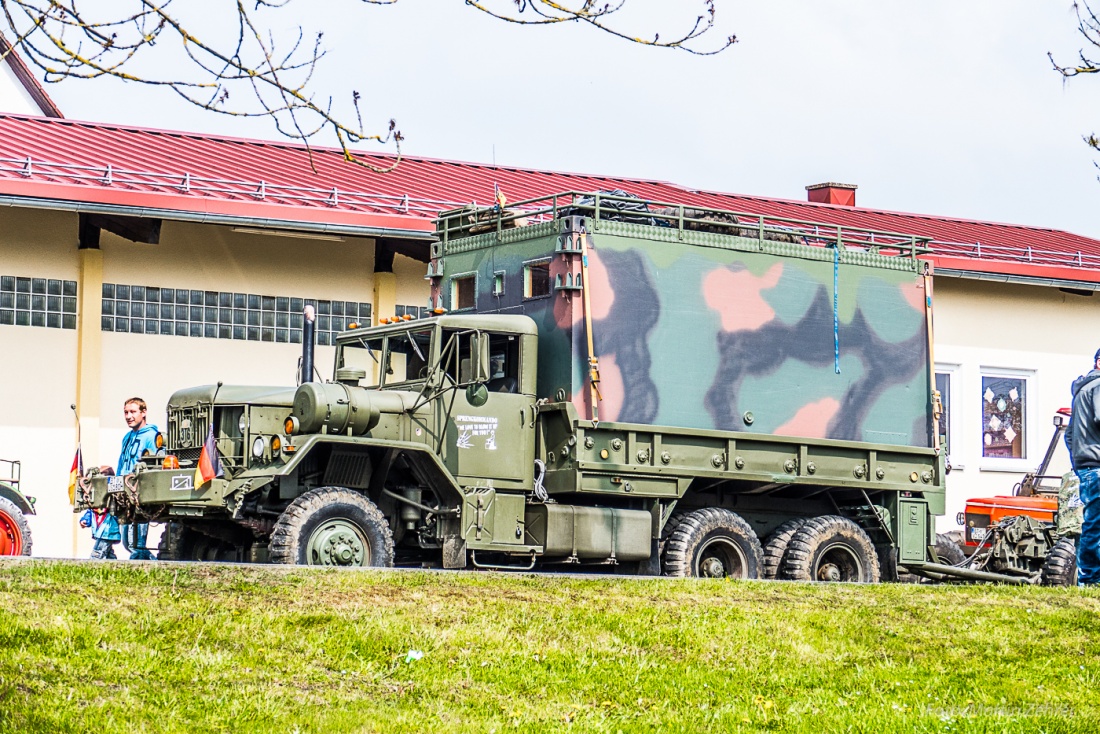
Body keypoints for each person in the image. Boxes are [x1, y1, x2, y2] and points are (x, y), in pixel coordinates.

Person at [103, 397, 160, 560]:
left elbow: (153, 465)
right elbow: (122, 463)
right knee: (127, 542)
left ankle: (150, 565)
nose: (129, 416)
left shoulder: (152, 436)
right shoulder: (127, 437)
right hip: (123, 492)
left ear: (143, 413)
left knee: (137, 543)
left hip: (139, 493)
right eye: (126, 412)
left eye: (133, 412)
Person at [1069, 348, 1100, 586]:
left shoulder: (1081, 391)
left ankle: (1088, 578)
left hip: (1088, 467)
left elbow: (1069, 435)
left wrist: (1080, 460)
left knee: (1092, 523)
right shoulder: (1098, 386)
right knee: (1095, 525)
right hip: (1097, 465)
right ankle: (1091, 580)